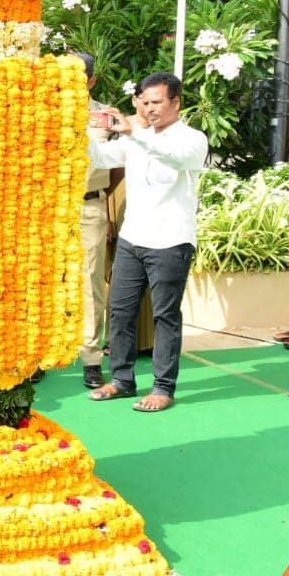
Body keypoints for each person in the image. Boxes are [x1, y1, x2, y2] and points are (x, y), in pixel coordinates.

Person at [86, 71, 207, 412]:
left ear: (176, 102)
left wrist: (135, 132)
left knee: (165, 316)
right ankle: (122, 381)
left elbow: (174, 157)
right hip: (131, 238)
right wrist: (77, 127)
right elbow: (99, 158)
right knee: (120, 311)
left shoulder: (192, 139)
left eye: (157, 102)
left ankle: (163, 388)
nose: (150, 109)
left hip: (171, 241)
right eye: (145, 102)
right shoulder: (135, 138)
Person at [79, 54, 119, 389]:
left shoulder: (103, 116)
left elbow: (119, 165)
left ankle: (91, 359)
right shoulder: (40, 111)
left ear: (91, 80)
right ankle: (36, 357)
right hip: (47, 208)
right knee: (40, 283)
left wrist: (105, 202)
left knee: (91, 284)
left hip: (89, 206)